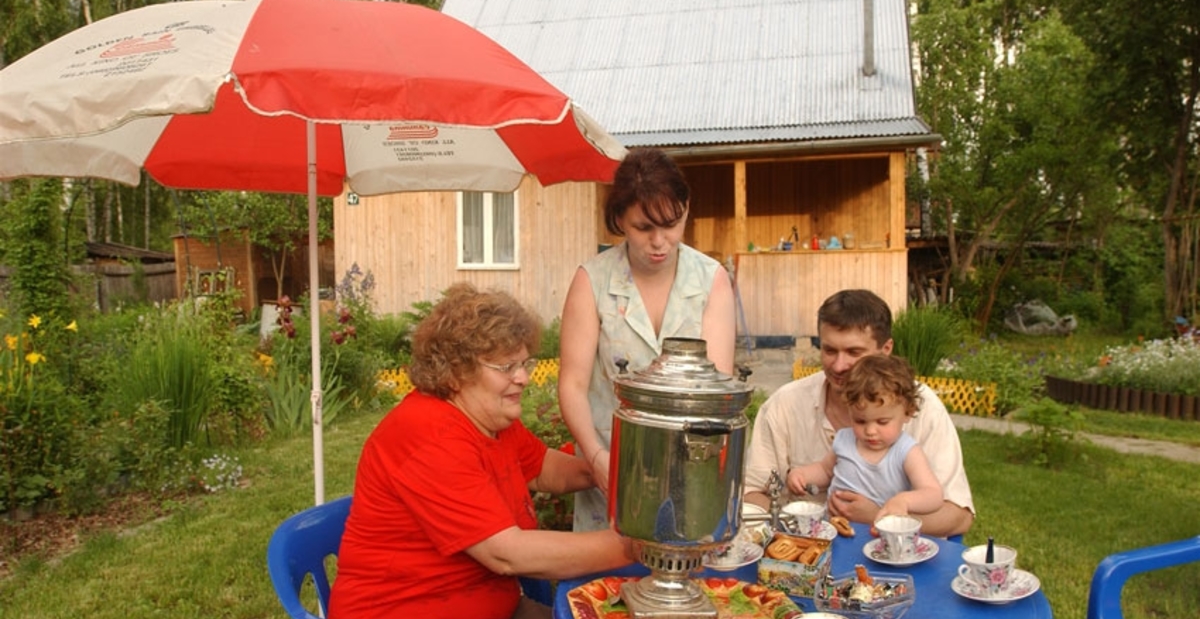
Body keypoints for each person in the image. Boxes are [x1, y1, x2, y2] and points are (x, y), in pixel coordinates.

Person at [330, 284, 637, 619]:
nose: (523, 378)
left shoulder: (490, 418)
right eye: (506, 367)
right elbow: (507, 554)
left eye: (524, 363)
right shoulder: (430, 435)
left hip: (490, 605)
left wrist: (604, 470)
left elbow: (542, 468)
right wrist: (641, 546)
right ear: (457, 371)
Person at [558, 147, 736, 532]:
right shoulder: (592, 282)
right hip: (610, 469)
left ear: (686, 210)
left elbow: (716, 390)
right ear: (619, 219)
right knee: (606, 586)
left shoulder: (711, 280)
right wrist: (595, 456)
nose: (659, 241)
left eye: (671, 224)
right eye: (644, 228)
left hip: (690, 471)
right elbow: (572, 384)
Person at [743, 289, 974, 537]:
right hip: (807, 548)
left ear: (885, 349)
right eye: (829, 350)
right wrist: (790, 527)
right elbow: (752, 494)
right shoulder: (784, 405)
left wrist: (877, 516)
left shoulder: (921, 406)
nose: (839, 366)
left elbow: (959, 517)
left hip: (893, 556)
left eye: (854, 353)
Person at [786, 354, 944, 520]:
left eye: (882, 422)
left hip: (878, 538)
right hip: (833, 530)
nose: (870, 431)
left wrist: (903, 501)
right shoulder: (845, 440)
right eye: (860, 421)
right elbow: (825, 470)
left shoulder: (906, 452)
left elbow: (933, 494)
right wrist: (801, 475)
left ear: (908, 412)